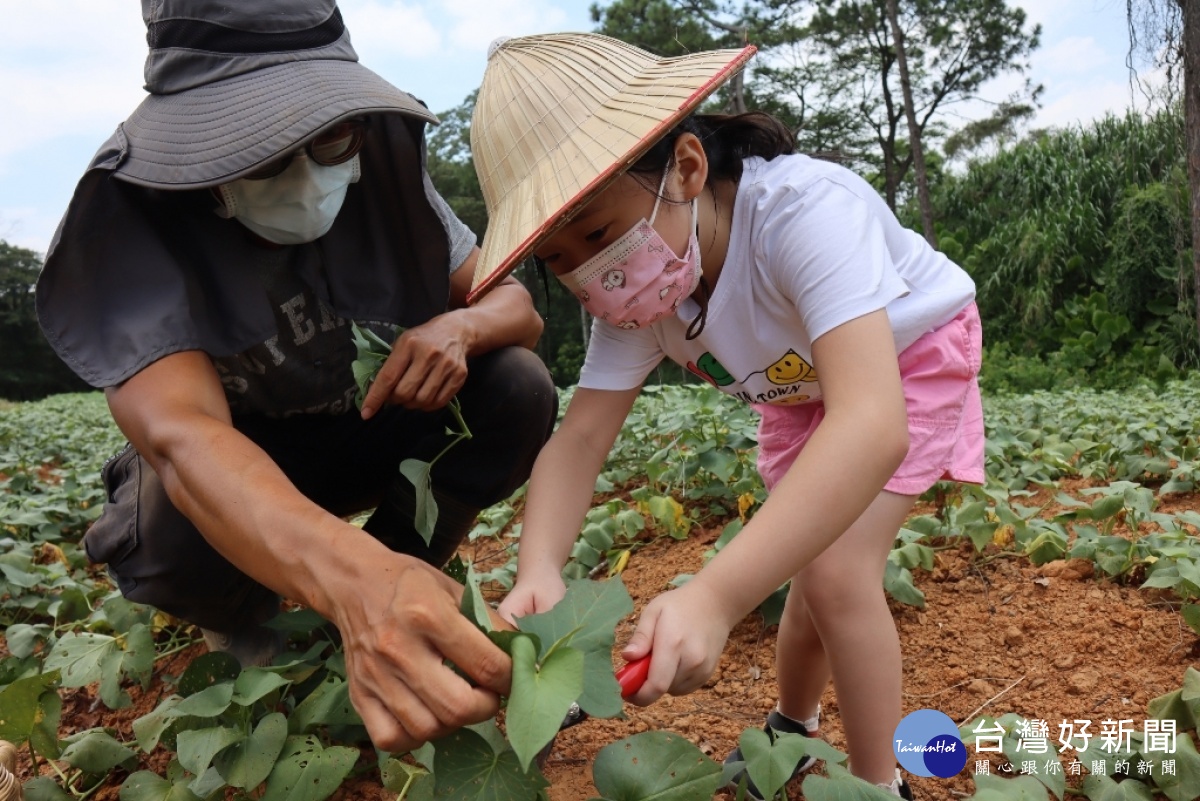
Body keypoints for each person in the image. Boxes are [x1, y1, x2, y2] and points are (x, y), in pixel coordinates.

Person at [35, 1, 558, 753]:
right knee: (169, 530)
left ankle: (402, 585)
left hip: (359, 431)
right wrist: (351, 579)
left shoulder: (380, 177)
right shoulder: (132, 225)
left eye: (330, 137)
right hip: (240, 467)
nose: (311, 173)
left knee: (517, 386)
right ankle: (252, 618)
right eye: (266, 152)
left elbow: (516, 305)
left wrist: (461, 325)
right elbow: (185, 439)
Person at [470, 34, 985, 798]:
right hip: (799, 390)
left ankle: (882, 786)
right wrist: (539, 566)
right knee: (805, 565)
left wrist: (712, 596)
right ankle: (793, 726)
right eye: (559, 258)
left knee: (838, 570)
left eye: (600, 232)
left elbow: (872, 422)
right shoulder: (635, 301)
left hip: (904, 363)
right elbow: (579, 439)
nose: (589, 271)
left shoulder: (805, 214)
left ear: (685, 166)